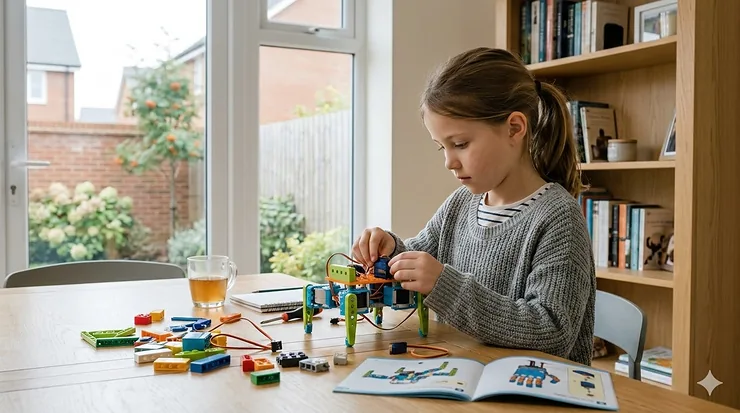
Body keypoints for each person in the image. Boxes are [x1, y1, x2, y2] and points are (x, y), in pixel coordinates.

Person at [352, 47, 596, 366]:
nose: (449, 162)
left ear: (514, 128)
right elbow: (422, 257)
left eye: (461, 144)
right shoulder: (463, 203)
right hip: (465, 373)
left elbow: (551, 332)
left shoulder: (557, 218)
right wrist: (391, 252)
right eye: (442, 147)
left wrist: (445, 285)